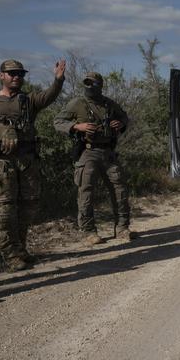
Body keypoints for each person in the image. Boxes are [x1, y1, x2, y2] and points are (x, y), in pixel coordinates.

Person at [0, 58, 65, 271]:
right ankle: (9, 254)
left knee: (28, 207)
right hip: (1, 164)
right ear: (1, 76)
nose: (16, 77)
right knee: (4, 210)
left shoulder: (28, 101)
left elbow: (49, 96)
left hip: (27, 162)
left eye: (20, 74)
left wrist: (58, 80)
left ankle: (20, 248)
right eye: (12, 73)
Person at [53, 72, 132, 245]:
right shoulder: (77, 103)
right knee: (86, 192)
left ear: (100, 85)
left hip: (108, 152)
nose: (89, 86)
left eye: (93, 83)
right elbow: (58, 121)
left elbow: (124, 117)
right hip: (87, 152)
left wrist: (121, 124)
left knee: (120, 190)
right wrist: (76, 126)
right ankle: (89, 232)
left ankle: (122, 228)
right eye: (87, 83)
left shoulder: (109, 103)